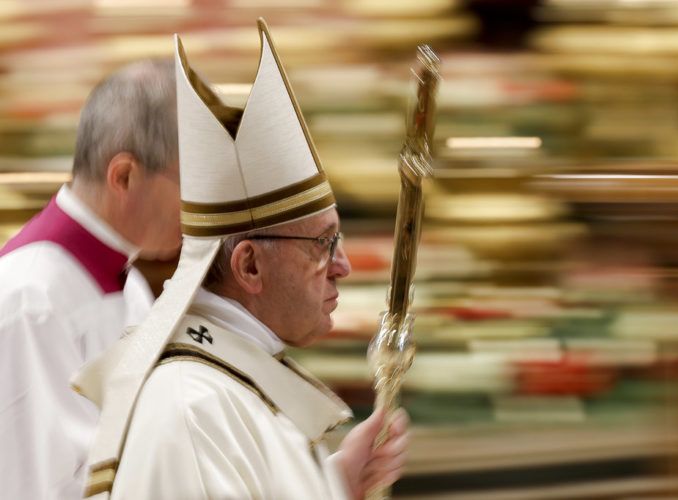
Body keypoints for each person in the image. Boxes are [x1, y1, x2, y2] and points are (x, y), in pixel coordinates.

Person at [74, 19, 408, 500]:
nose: (343, 266)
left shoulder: (234, 383)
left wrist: (337, 485)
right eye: (323, 243)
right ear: (249, 266)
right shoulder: (191, 406)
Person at [0, 59, 182, 500]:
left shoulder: (130, 282)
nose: (201, 206)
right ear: (124, 176)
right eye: (189, 182)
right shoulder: (31, 297)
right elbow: (36, 487)